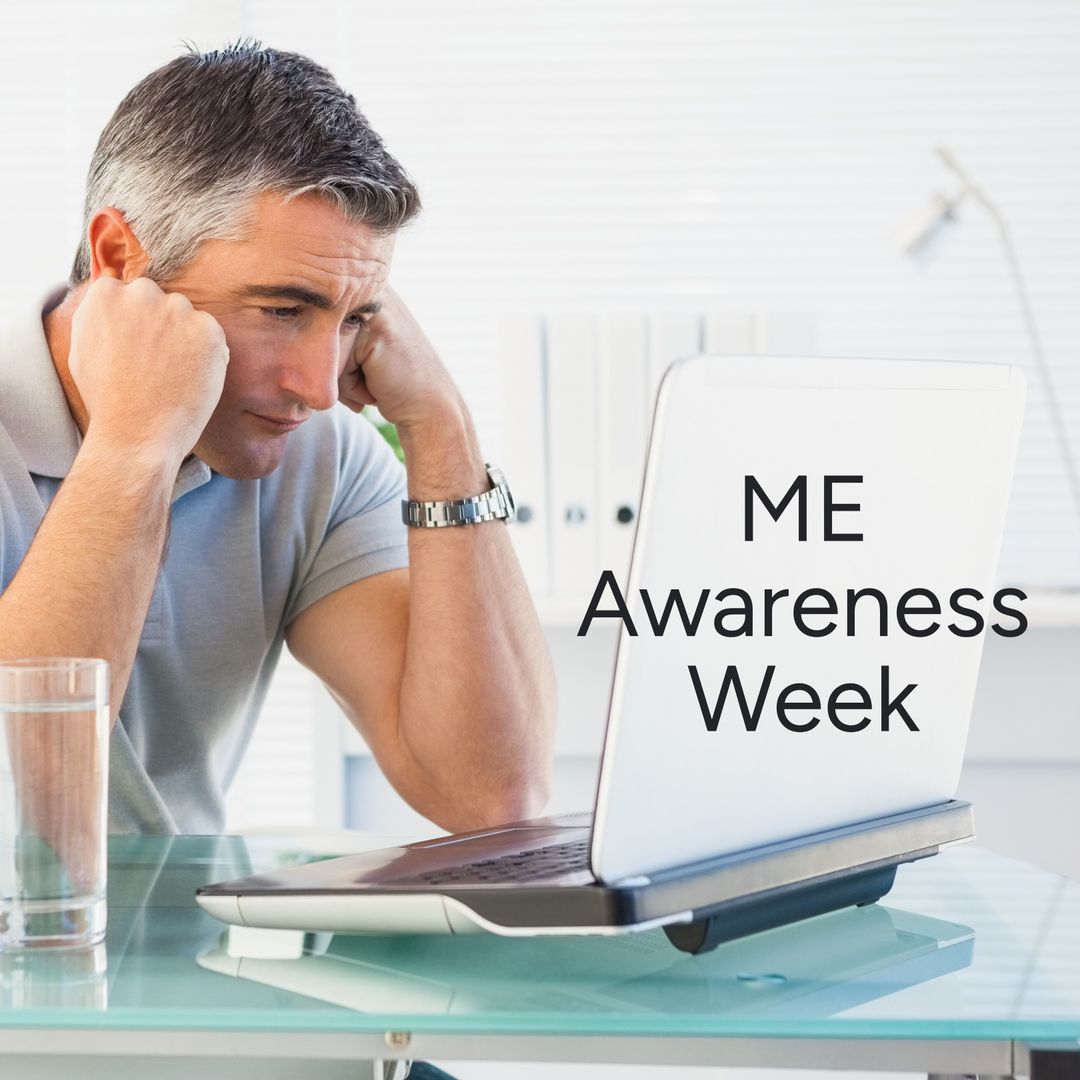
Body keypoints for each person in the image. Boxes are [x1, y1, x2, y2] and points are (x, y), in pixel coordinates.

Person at [0, 41, 556, 838]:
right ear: (119, 257)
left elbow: (490, 795)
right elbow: (21, 810)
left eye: (354, 317)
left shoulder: (318, 453)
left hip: (184, 960)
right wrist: (132, 450)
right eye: (283, 310)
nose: (322, 387)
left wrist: (445, 435)